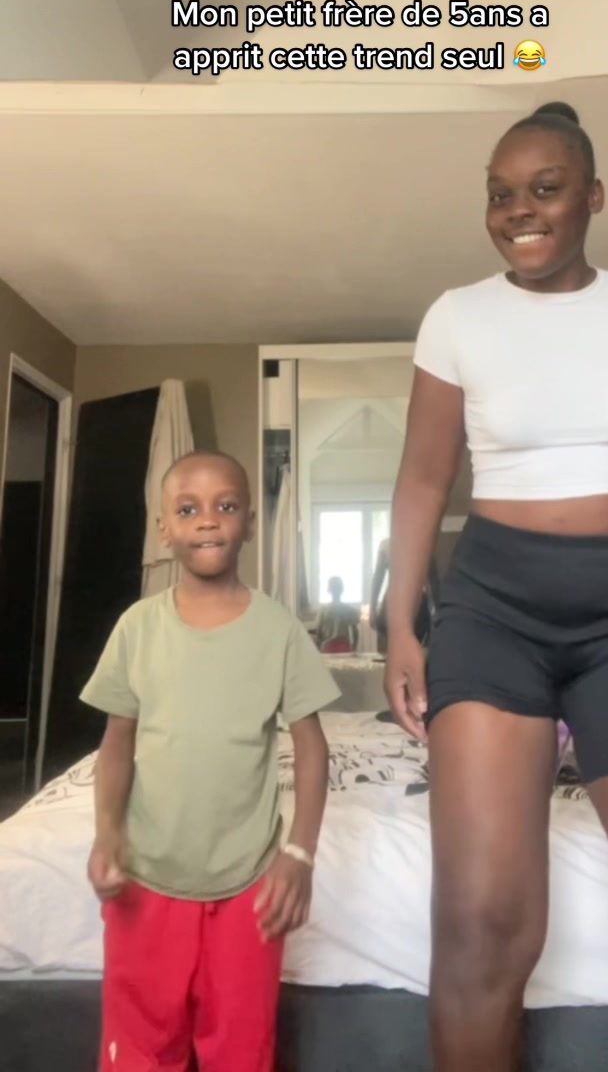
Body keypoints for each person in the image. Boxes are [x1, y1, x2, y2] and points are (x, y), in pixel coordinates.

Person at [384, 102, 608, 1072]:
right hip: (493, 613)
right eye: (500, 194)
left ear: (594, 196)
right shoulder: (457, 317)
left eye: (544, 188)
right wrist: (400, 621)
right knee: (483, 922)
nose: (518, 211)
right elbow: (423, 478)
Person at [80, 450, 340, 1072]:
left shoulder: (279, 630)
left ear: (249, 522)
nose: (206, 520)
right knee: (139, 1051)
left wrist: (300, 854)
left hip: (250, 885)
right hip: (145, 879)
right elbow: (117, 742)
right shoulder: (137, 627)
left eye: (225, 506)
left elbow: (312, 745)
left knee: (242, 1051)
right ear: (164, 528)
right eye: (188, 509)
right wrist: (107, 832)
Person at [370, 536, 438, 654]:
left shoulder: (389, 544)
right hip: (410, 602)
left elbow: (378, 578)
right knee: (409, 650)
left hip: (401, 602)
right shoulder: (423, 543)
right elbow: (433, 581)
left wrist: (373, 608)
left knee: (392, 652)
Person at [316, 575, 360, 651]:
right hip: (339, 646)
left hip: (331, 646)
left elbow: (318, 632)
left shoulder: (324, 610)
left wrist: (319, 647)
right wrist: (354, 647)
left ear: (329, 589)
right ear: (342, 589)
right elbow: (355, 631)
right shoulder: (348, 610)